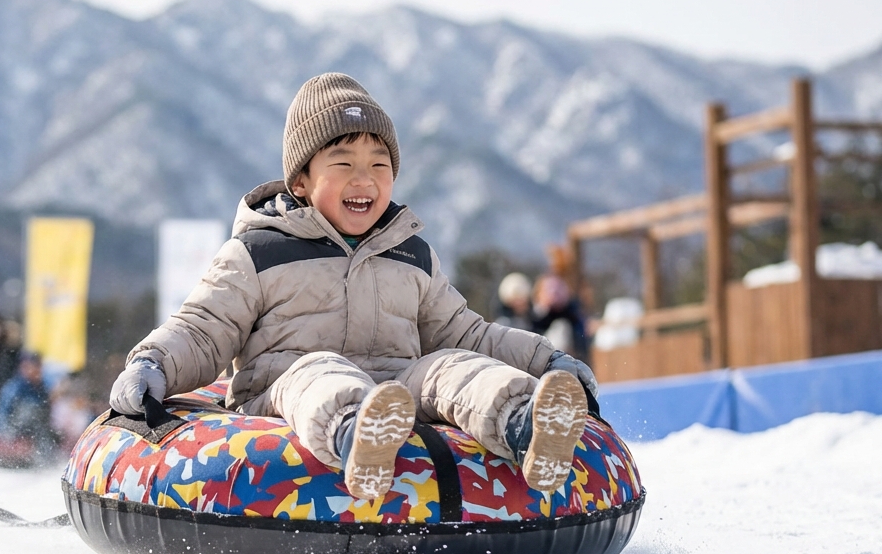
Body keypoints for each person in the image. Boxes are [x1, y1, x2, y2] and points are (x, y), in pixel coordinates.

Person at [109, 73, 598, 501]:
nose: (364, 179)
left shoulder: (413, 256)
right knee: (321, 369)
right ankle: (356, 436)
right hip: (283, 390)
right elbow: (202, 328)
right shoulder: (258, 252)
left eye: (379, 164)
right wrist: (151, 363)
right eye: (343, 163)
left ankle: (527, 425)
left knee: (452, 366)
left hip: (395, 386)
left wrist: (544, 360)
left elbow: (467, 333)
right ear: (301, 181)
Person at [0, 352, 54, 459]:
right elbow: (2, 413)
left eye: (39, 367)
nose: (37, 371)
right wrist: (4, 434)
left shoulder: (41, 387)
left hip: (35, 431)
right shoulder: (15, 387)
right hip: (15, 430)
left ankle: (45, 456)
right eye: (34, 367)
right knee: (30, 410)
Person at [531, 273, 592, 364]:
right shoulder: (531, 318)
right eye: (549, 289)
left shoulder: (574, 317)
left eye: (559, 289)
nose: (554, 293)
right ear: (539, 294)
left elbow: (582, 349)